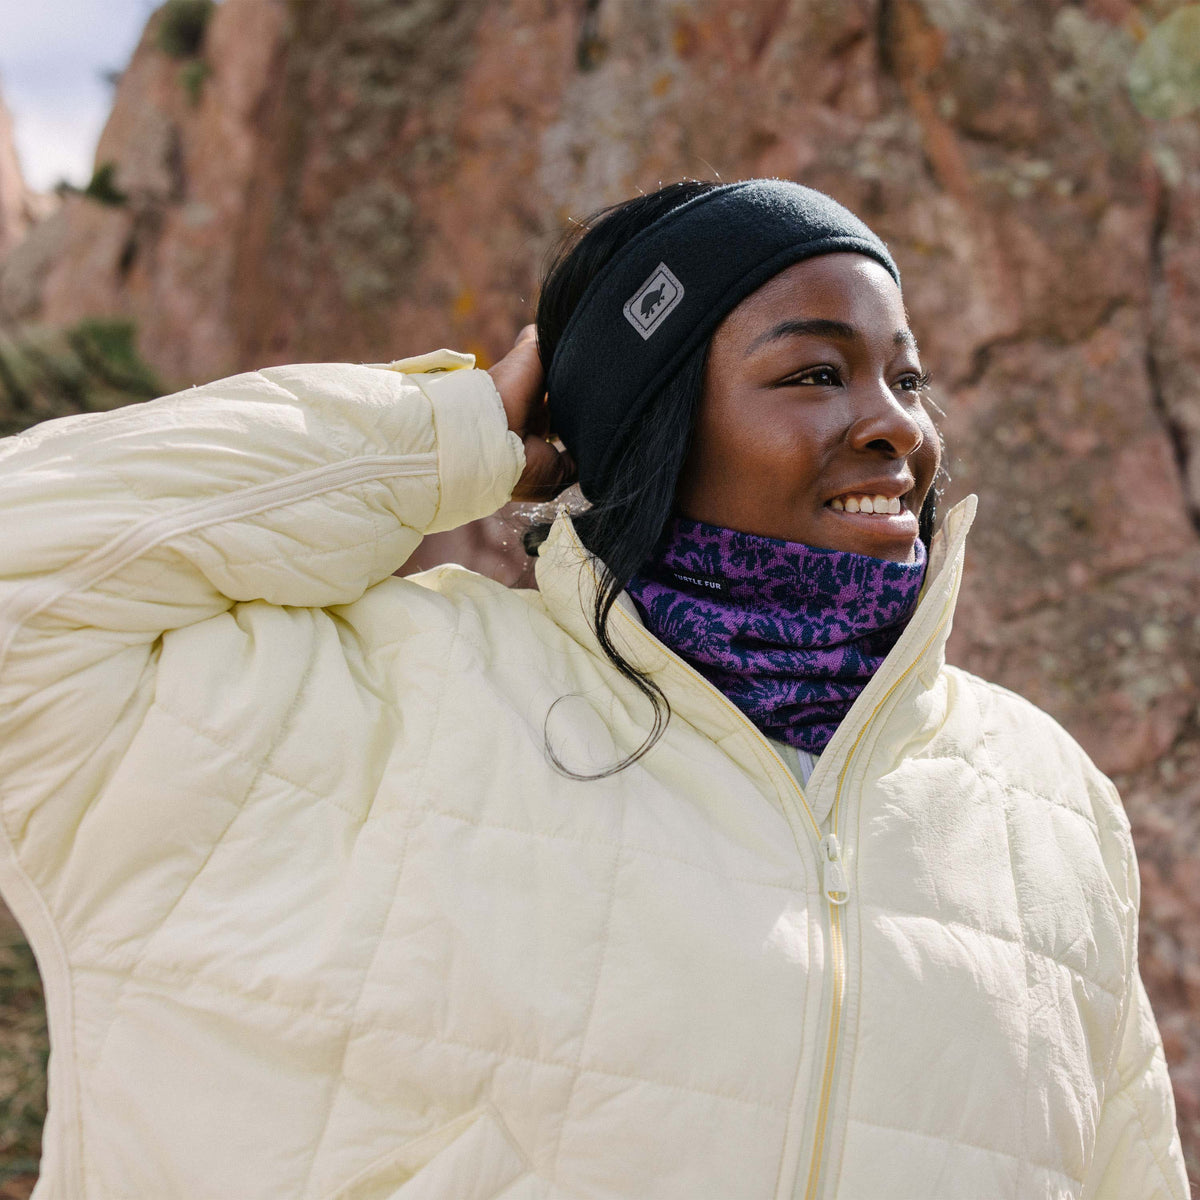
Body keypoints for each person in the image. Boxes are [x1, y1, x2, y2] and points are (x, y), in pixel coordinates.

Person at [0, 178, 1187, 1200]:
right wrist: (444, 436)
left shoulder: (1043, 801)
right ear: (654, 424)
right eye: (816, 372)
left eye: (908, 378)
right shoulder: (355, 706)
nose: (894, 426)